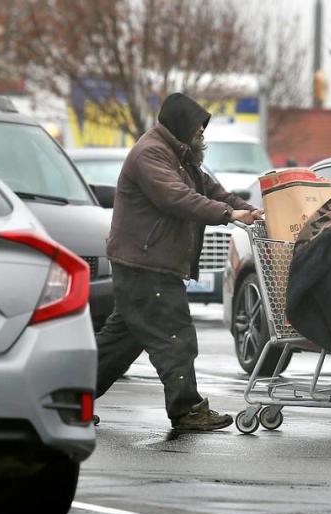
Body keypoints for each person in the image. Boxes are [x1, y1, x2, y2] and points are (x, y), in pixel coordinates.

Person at [95, 93, 261, 431]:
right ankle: (187, 410)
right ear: (182, 125)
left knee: (118, 344)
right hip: (145, 263)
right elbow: (176, 197)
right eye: (199, 128)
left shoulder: (182, 156)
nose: (202, 135)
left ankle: (64, 399)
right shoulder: (151, 152)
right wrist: (228, 214)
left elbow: (211, 190)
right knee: (176, 336)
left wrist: (245, 209)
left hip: (148, 261)